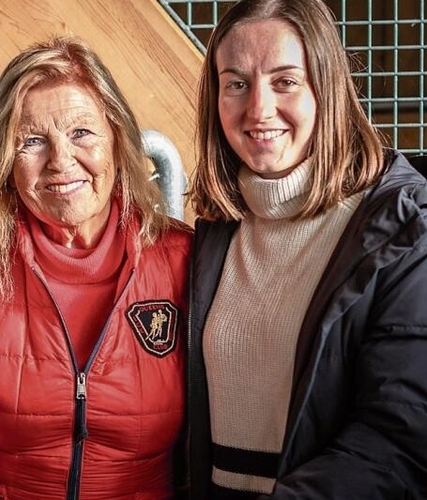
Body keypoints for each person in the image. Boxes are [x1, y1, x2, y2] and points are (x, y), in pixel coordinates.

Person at [0, 36, 192, 499]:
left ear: (116, 139)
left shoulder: (184, 259)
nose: (61, 162)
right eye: (32, 141)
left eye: (81, 133)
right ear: (4, 160)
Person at [187, 0, 427, 498]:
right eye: (236, 83)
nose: (258, 109)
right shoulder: (218, 228)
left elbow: (399, 439)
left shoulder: (404, 229)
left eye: (285, 81)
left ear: (328, 89)